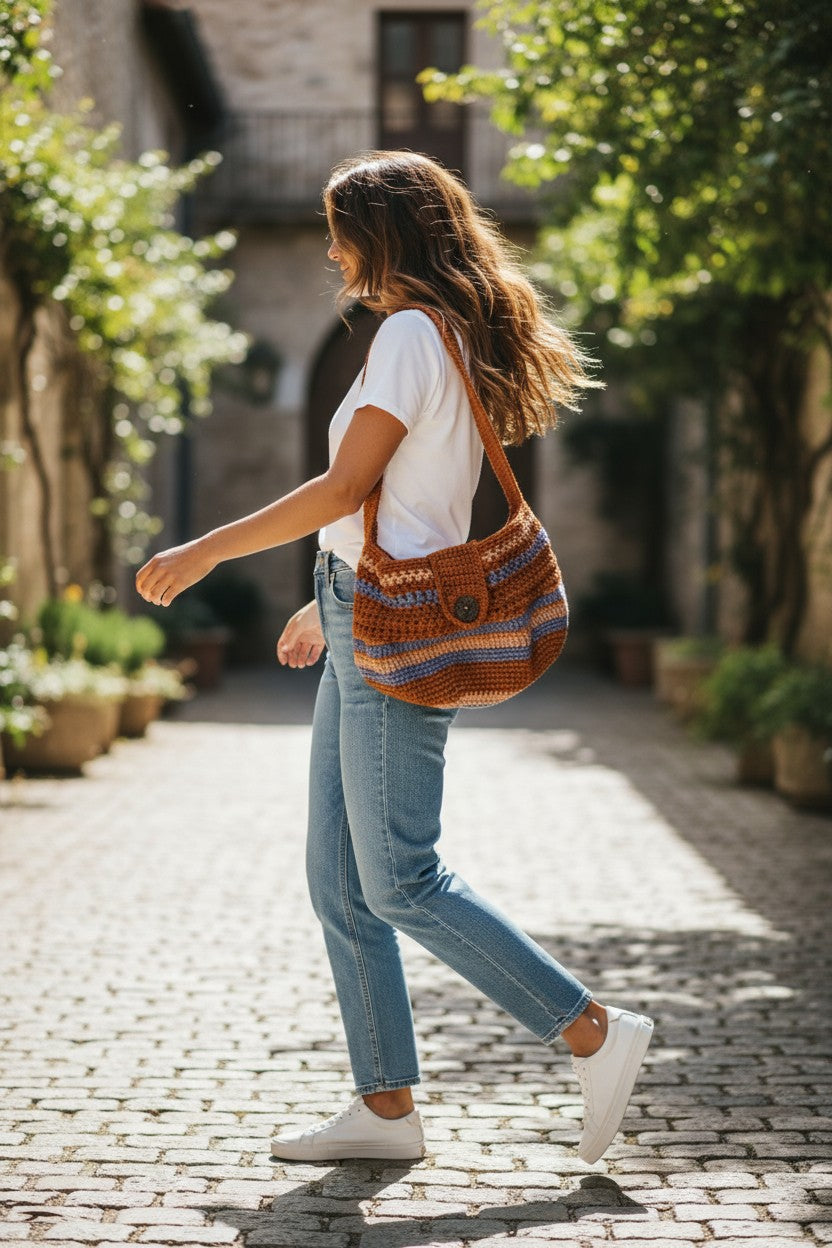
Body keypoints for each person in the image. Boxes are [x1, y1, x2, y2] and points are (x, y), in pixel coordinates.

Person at [136, 150, 654, 1166]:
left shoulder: (413, 332)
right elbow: (402, 506)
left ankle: (591, 1031)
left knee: (401, 878)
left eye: (342, 230)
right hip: (365, 610)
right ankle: (385, 1111)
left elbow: (343, 487)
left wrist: (204, 548)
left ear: (385, 234)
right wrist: (331, 600)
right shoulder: (428, 334)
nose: (331, 250)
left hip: (393, 633)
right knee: (338, 880)